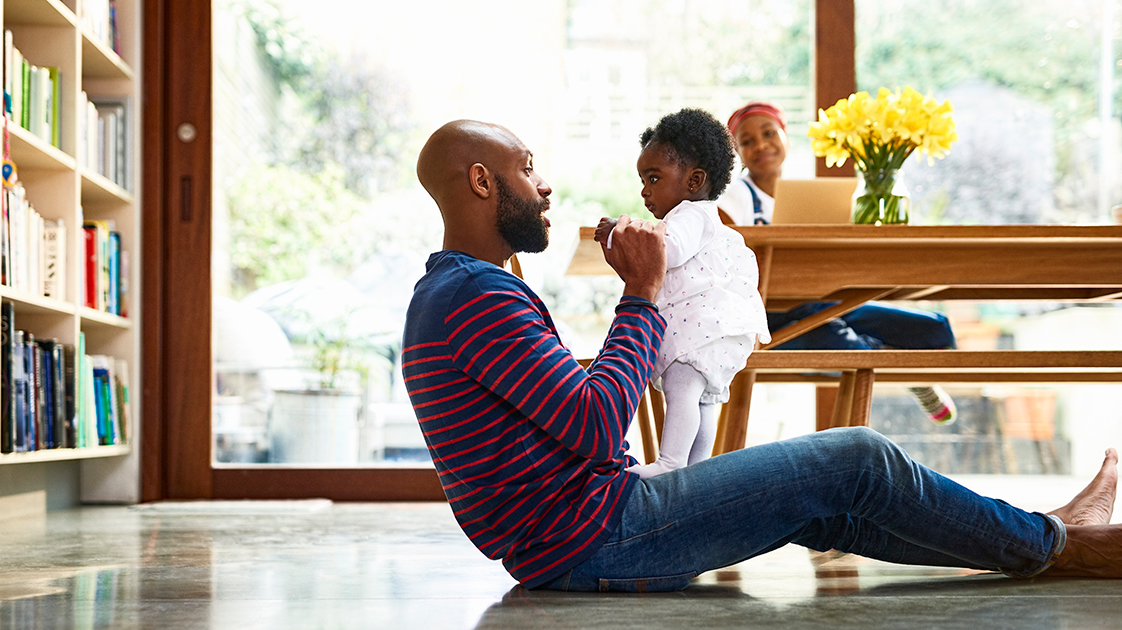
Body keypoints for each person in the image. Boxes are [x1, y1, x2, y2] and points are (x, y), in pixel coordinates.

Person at [403, 118, 1122, 593]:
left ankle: (1040, 539)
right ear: (481, 182)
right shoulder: (476, 296)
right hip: (598, 536)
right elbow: (597, 424)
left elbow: (573, 414)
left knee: (831, 508)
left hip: (573, 539)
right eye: (529, 170)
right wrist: (645, 293)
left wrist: (642, 329)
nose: (546, 184)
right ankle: (1063, 543)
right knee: (855, 459)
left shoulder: (459, 292)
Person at [718, 100, 958, 425]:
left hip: (822, 301)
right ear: (737, 152)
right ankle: (903, 371)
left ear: (786, 135)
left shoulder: (813, 196)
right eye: (746, 141)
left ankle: (888, 359)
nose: (760, 144)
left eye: (768, 133)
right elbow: (725, 258)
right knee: (839, 345)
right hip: (772, 317)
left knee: (935, 331)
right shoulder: (735, 195)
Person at [593, 108, 769, 479]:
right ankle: (695, 472)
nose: (644, 191)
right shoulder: (701, 215)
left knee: (681, 390)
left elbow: (663, 253)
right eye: (642, 180)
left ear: (694, 181)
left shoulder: (690, 215)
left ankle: (671, 462)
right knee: (701, 400)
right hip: (711, 331)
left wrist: (617, 232)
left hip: (698, 331)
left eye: (653, 178)